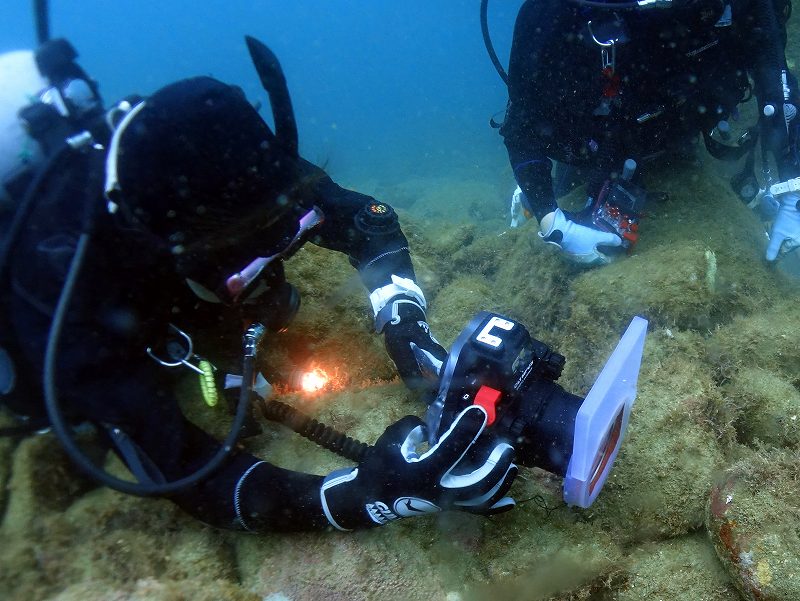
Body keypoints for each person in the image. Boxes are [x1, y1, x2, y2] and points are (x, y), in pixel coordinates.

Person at [0, 38, 517, 532]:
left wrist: (403, 319)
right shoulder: (64, 278)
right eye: (240, 261)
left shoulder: (237, 165)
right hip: (76, 323)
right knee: (57, 407)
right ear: (169, 245)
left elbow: (369, 221)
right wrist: (357, 499)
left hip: (175, 273)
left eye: (278, 237)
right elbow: (181, 471)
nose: (266, 268)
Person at [499, 0, 800, 266]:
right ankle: (529, 197)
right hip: (604, 141)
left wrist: (794, 190)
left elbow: (774, 77)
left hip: (684, 125)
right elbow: (522, 127)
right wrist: (551, 219)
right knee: (570, 185)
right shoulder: (557, 11)